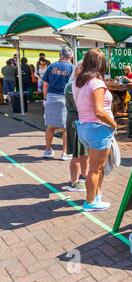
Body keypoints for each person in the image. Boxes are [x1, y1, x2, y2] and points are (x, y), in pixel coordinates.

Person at [73, 48, 117, 212]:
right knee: (95, 168)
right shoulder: (97, 83)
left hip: (83, 127)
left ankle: (97, 195)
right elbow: (99, 111)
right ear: (101, 65)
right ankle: (90, 201)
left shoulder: (78, 81)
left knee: (98, 168)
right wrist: (113, 124)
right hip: (98, 128)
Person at [42, 46, 74, 160]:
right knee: (65, 128)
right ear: (71, 56)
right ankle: (64, 153)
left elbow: (45, 84)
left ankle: (48, 150)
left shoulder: (51, 66)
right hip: (65, 99)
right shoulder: (72, 68)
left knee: (50, 126)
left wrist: (45, 99)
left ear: (60, 55)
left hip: (51, 98)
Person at [62, 61, 89, 192]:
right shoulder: (72, 86)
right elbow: (80, 106)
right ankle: (74, 182)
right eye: (81, 68)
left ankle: (83, 176)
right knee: (76, 153)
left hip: (81, 119)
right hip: (76, 119)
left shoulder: (80, 85)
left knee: (84, 151)